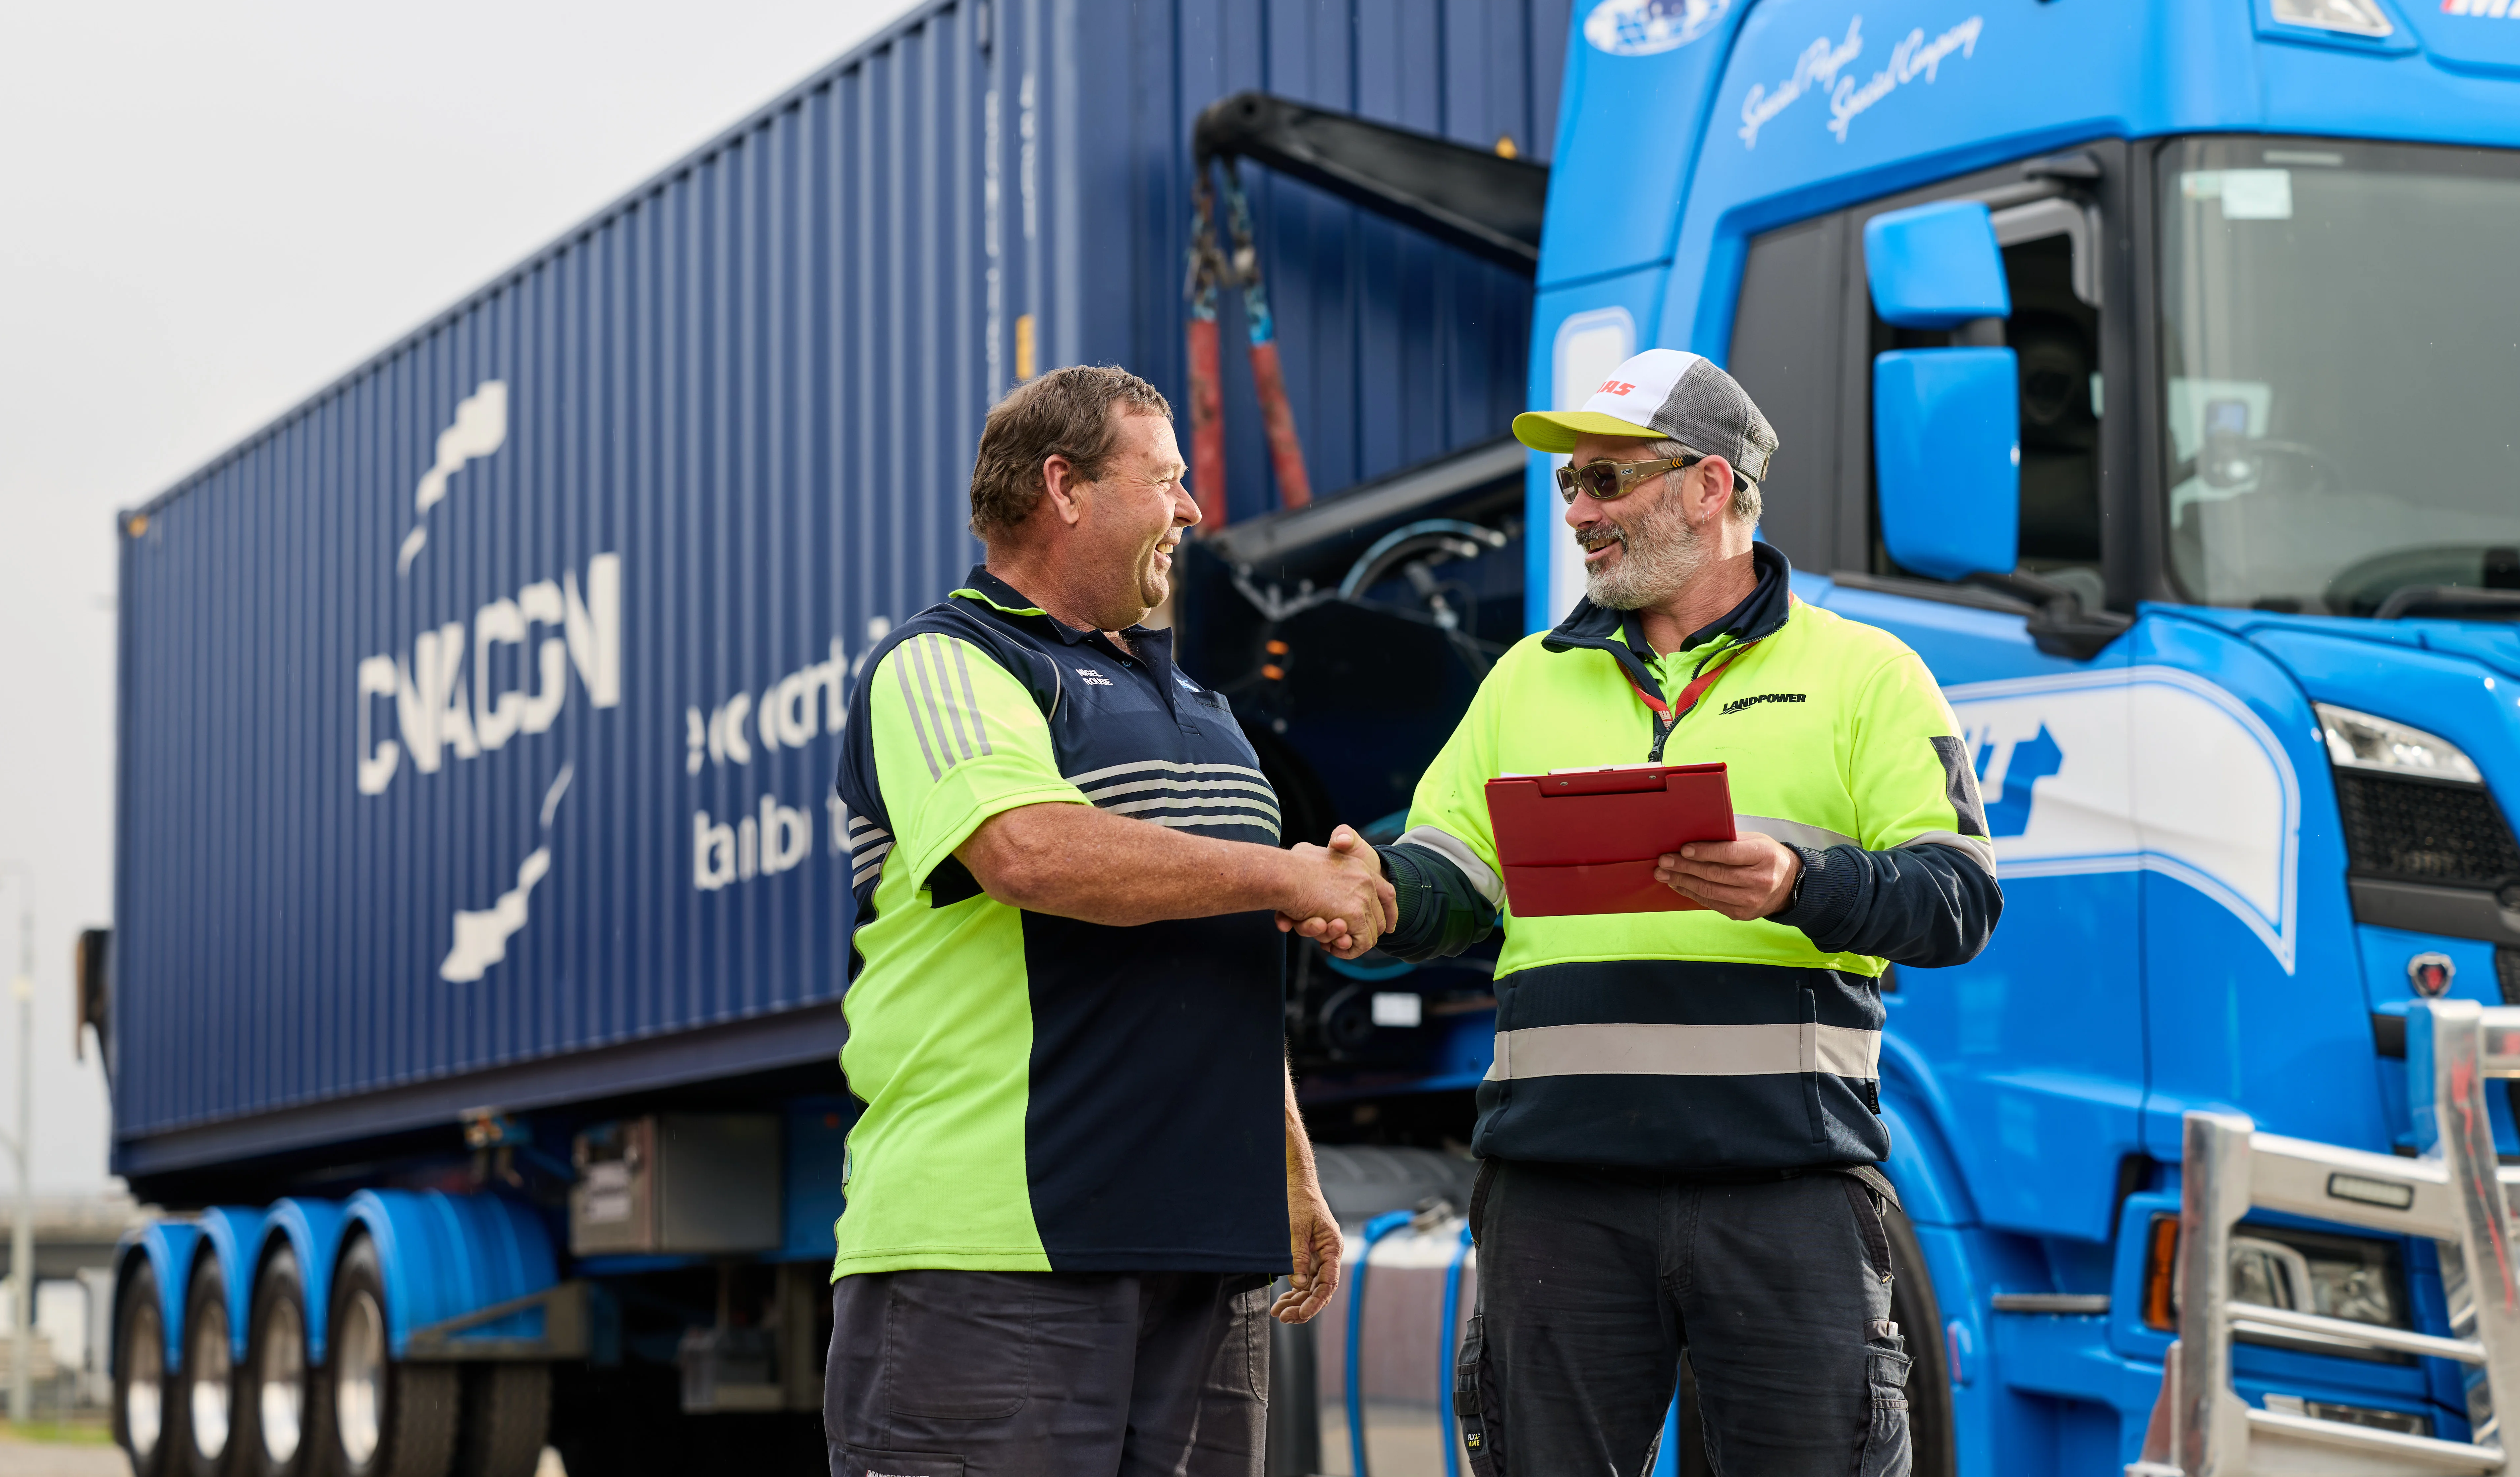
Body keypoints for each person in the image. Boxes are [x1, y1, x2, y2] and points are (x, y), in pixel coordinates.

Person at [1336, 347, 2003, 1476]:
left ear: (1711, 486)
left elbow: (1960, 901)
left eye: (1609, 482)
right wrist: (1380, 892)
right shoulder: (1524, 681)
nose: (1581, 513)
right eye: (1571, 487)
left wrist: (1801, 887)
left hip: (1785, 1190)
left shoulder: (1868, 677)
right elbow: (1455, 876)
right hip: (1558, 1194)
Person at [826, 363, 1396, 1477]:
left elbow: (1221, 954)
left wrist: (1289, 1167)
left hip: (1204, 1259)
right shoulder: (945, 663)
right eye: (1168, 479)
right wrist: (1287, 876)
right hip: (994, 1256)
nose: (1192, 511)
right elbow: (1025, 851)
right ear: (1065, 488)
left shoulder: (1208, 712)